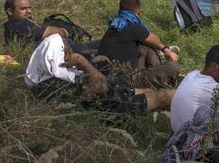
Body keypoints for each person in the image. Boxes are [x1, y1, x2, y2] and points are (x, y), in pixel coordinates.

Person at [26, 33, 174, 114]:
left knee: (151, 91)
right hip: (116, 107)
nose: (71, 53)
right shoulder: (58, 83)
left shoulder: (46, 77)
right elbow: (101, 87)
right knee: (164, 96)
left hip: (119, 91)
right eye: (67, 51)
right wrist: (81, 61)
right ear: (55, 56)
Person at [97, 0, 180, 89]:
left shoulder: (114, 26)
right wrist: (166, 50)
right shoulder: (133, 26)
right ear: (138, 11)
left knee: (144, 46)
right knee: (173, 67)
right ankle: (157, 72)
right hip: (125, 82)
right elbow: (155, 40)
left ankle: (155, 71)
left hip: (106, 76)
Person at [3, 0, 69, 47]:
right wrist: (63, 31)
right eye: (23, 9)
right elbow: (46, 32)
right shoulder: (18, 25)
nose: (29, 11)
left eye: (29, 8)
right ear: (10, 11)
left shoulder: (22, 24)